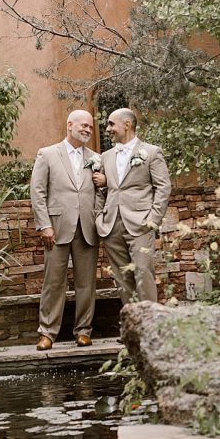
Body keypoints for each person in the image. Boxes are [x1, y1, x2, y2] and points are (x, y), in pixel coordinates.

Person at [30, 109, 107, 351]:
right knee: (53, 282)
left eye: (90, 127)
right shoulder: (48, 154)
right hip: (56, 227)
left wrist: (97, 213)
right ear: (69, 125)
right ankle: (47, 333)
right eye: (83, 125)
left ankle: (83, 331)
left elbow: (101, 193)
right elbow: (38, 192)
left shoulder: (97, 158)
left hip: (87, 227)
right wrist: (44, 225)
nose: (87, 130)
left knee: (87, 283)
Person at [96, 108, 171, 305]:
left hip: (141, 223)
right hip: (112, 224)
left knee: (143, 273)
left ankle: (148, 328)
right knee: (122, 278)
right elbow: (100, 189)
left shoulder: (151, 152)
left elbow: (163, 187)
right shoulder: (106, 156)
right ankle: (132, 326)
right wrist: (99, 217)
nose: (107, 129)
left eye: (111, 124)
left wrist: (153, 220)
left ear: (127, 124)